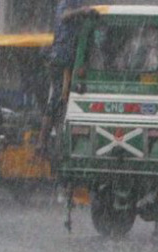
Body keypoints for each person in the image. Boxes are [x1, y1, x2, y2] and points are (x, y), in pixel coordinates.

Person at [39, 0, 94, 154]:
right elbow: (64, 15)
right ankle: (44, 141)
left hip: (67, 56)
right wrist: (82, 11)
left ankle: (54, 138)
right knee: (60, 97)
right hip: (63, 57)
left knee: (63, 97)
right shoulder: (68, 3)